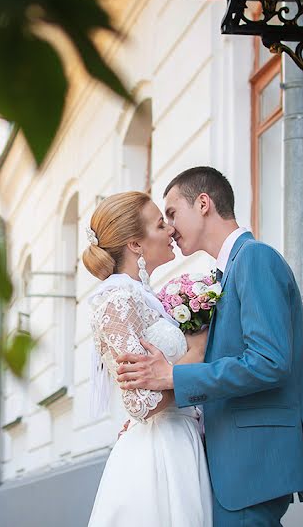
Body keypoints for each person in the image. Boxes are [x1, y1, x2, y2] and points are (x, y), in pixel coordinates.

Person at [116, 167, 303, 527]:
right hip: (229, 458)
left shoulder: (255, 258)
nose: (169, 228)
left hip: (251, 462)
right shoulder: (229, 269)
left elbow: (269, 362)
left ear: (203, 204)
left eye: (172, 213)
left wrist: (174, 376)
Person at [83, 191, 214, 527]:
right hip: (159, 454)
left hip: (181, 438)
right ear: (135, 245)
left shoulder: (143, 297)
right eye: (160, 224)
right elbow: (143, 404)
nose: (170, 230)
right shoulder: (116, 301)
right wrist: (196, 352)